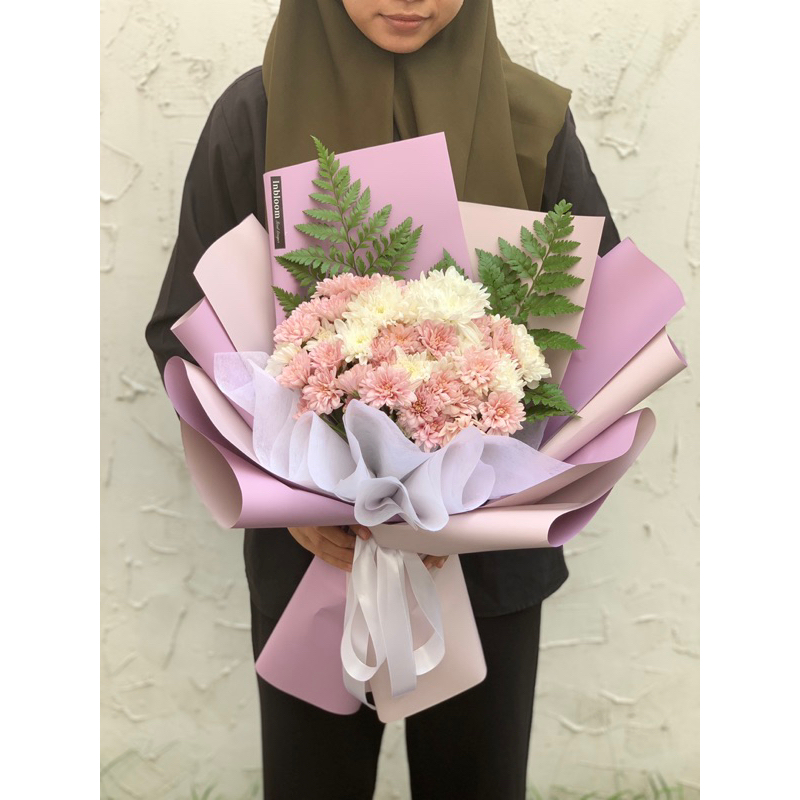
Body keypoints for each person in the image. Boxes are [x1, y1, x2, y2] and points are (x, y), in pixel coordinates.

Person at [146, 1, 620, 798]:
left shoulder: (532, 122)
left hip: (484, 555)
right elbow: (183, 333)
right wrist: (289, 498)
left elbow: (600, 320)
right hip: (312, 553)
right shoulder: (254, 115)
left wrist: (479, 490)